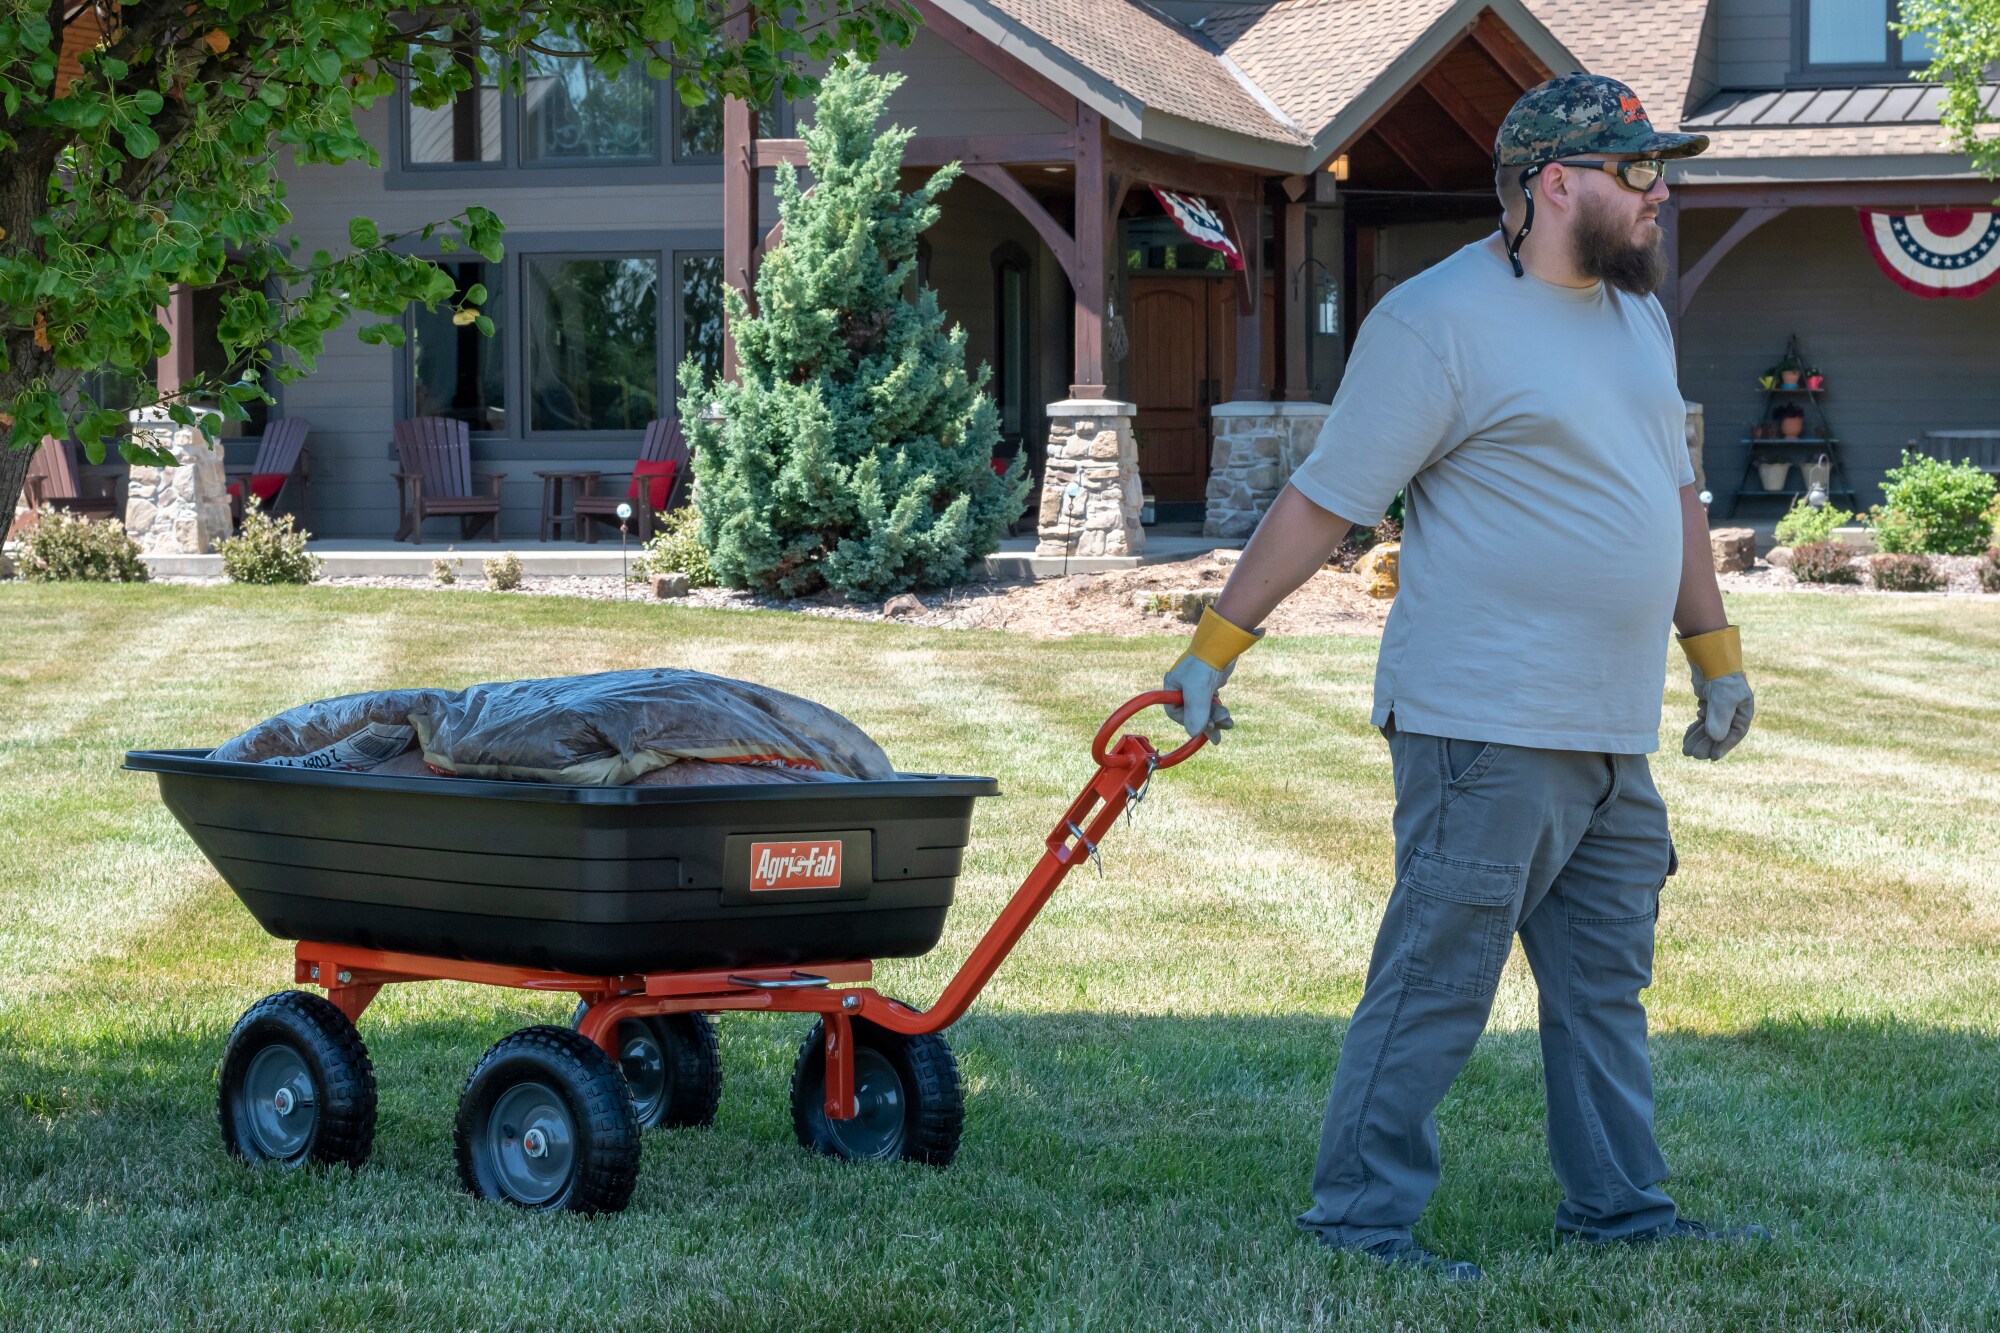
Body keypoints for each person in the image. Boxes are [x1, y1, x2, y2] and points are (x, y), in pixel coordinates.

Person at [1162, 73, 1768, 1281]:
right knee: (1436, 982)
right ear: (1554, 185)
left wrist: (1714, 657)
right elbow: (1322, 502)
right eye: (1637, 171)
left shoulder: (1637, 315)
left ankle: (1618, 1209)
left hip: (1607, 727)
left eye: (1662, 168)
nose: (1661, 193)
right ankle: (1357, 1217)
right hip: (1482, 724)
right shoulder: (1433, 322)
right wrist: (1208, 651)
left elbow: (1676, 499)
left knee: (1603, 990)